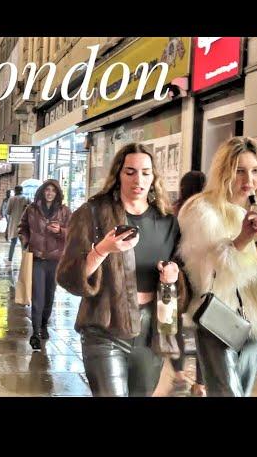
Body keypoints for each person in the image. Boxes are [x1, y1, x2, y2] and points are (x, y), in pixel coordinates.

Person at [56, 143, 189, 396]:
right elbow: (67, 277)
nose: (138, 179)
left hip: (152, 330)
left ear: (154, 177)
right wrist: (102, 249)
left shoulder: (167, 222)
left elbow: (181, 278)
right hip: (105, 326)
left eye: (145, 172)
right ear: (118, 175)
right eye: (130, 172)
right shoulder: (92, 214)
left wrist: (172, 276)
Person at [178, 137, 257, 397]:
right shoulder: (202, 211)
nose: (248, 179)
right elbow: (206, 278)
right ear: (224, 171)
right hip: (218, 320)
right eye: (239, 170)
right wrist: (240, 240)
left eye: (255, 170)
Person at [18, 179, 71, 351]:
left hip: (55, 260)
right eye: (47, 190)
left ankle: (43, 325)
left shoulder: (64, 211)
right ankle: (34, 333)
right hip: (37, 258)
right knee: (37, 297)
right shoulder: (31, 209)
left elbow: (74, 231)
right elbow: (22, 227)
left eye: (53, 191)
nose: (49, 193)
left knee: (49, 296)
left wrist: (61, 231)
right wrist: (26, 241)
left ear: (57, 193)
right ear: (42, 191)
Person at [168, 170, 207, 397]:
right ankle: (201, 384)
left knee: (174, 326)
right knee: (204, 329)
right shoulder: (208, 211)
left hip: (179, 274)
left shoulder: (176, 210)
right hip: (202, 275)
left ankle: (179, 372)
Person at [6, 185, 30, 262]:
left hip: (14, 223)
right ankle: (24, 259)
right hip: (24, 224)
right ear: (22, 190)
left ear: (15, 191)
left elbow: (8, 212)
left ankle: (10, 258)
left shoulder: (11, 199)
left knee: (13, 242)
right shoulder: (27, 198)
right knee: (23, 243)